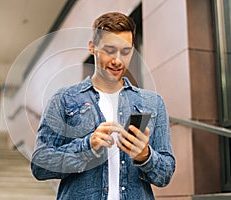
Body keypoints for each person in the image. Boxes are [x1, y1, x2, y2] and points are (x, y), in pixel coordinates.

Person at [31, 12, 175, 200]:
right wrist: (86, 147)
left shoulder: (153, 103)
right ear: (92, 47)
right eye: (109, 50)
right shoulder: (63, 99)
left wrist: (145, 156)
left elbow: (165, 175)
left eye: (125, 51)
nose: (117, 60)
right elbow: (40, 166)